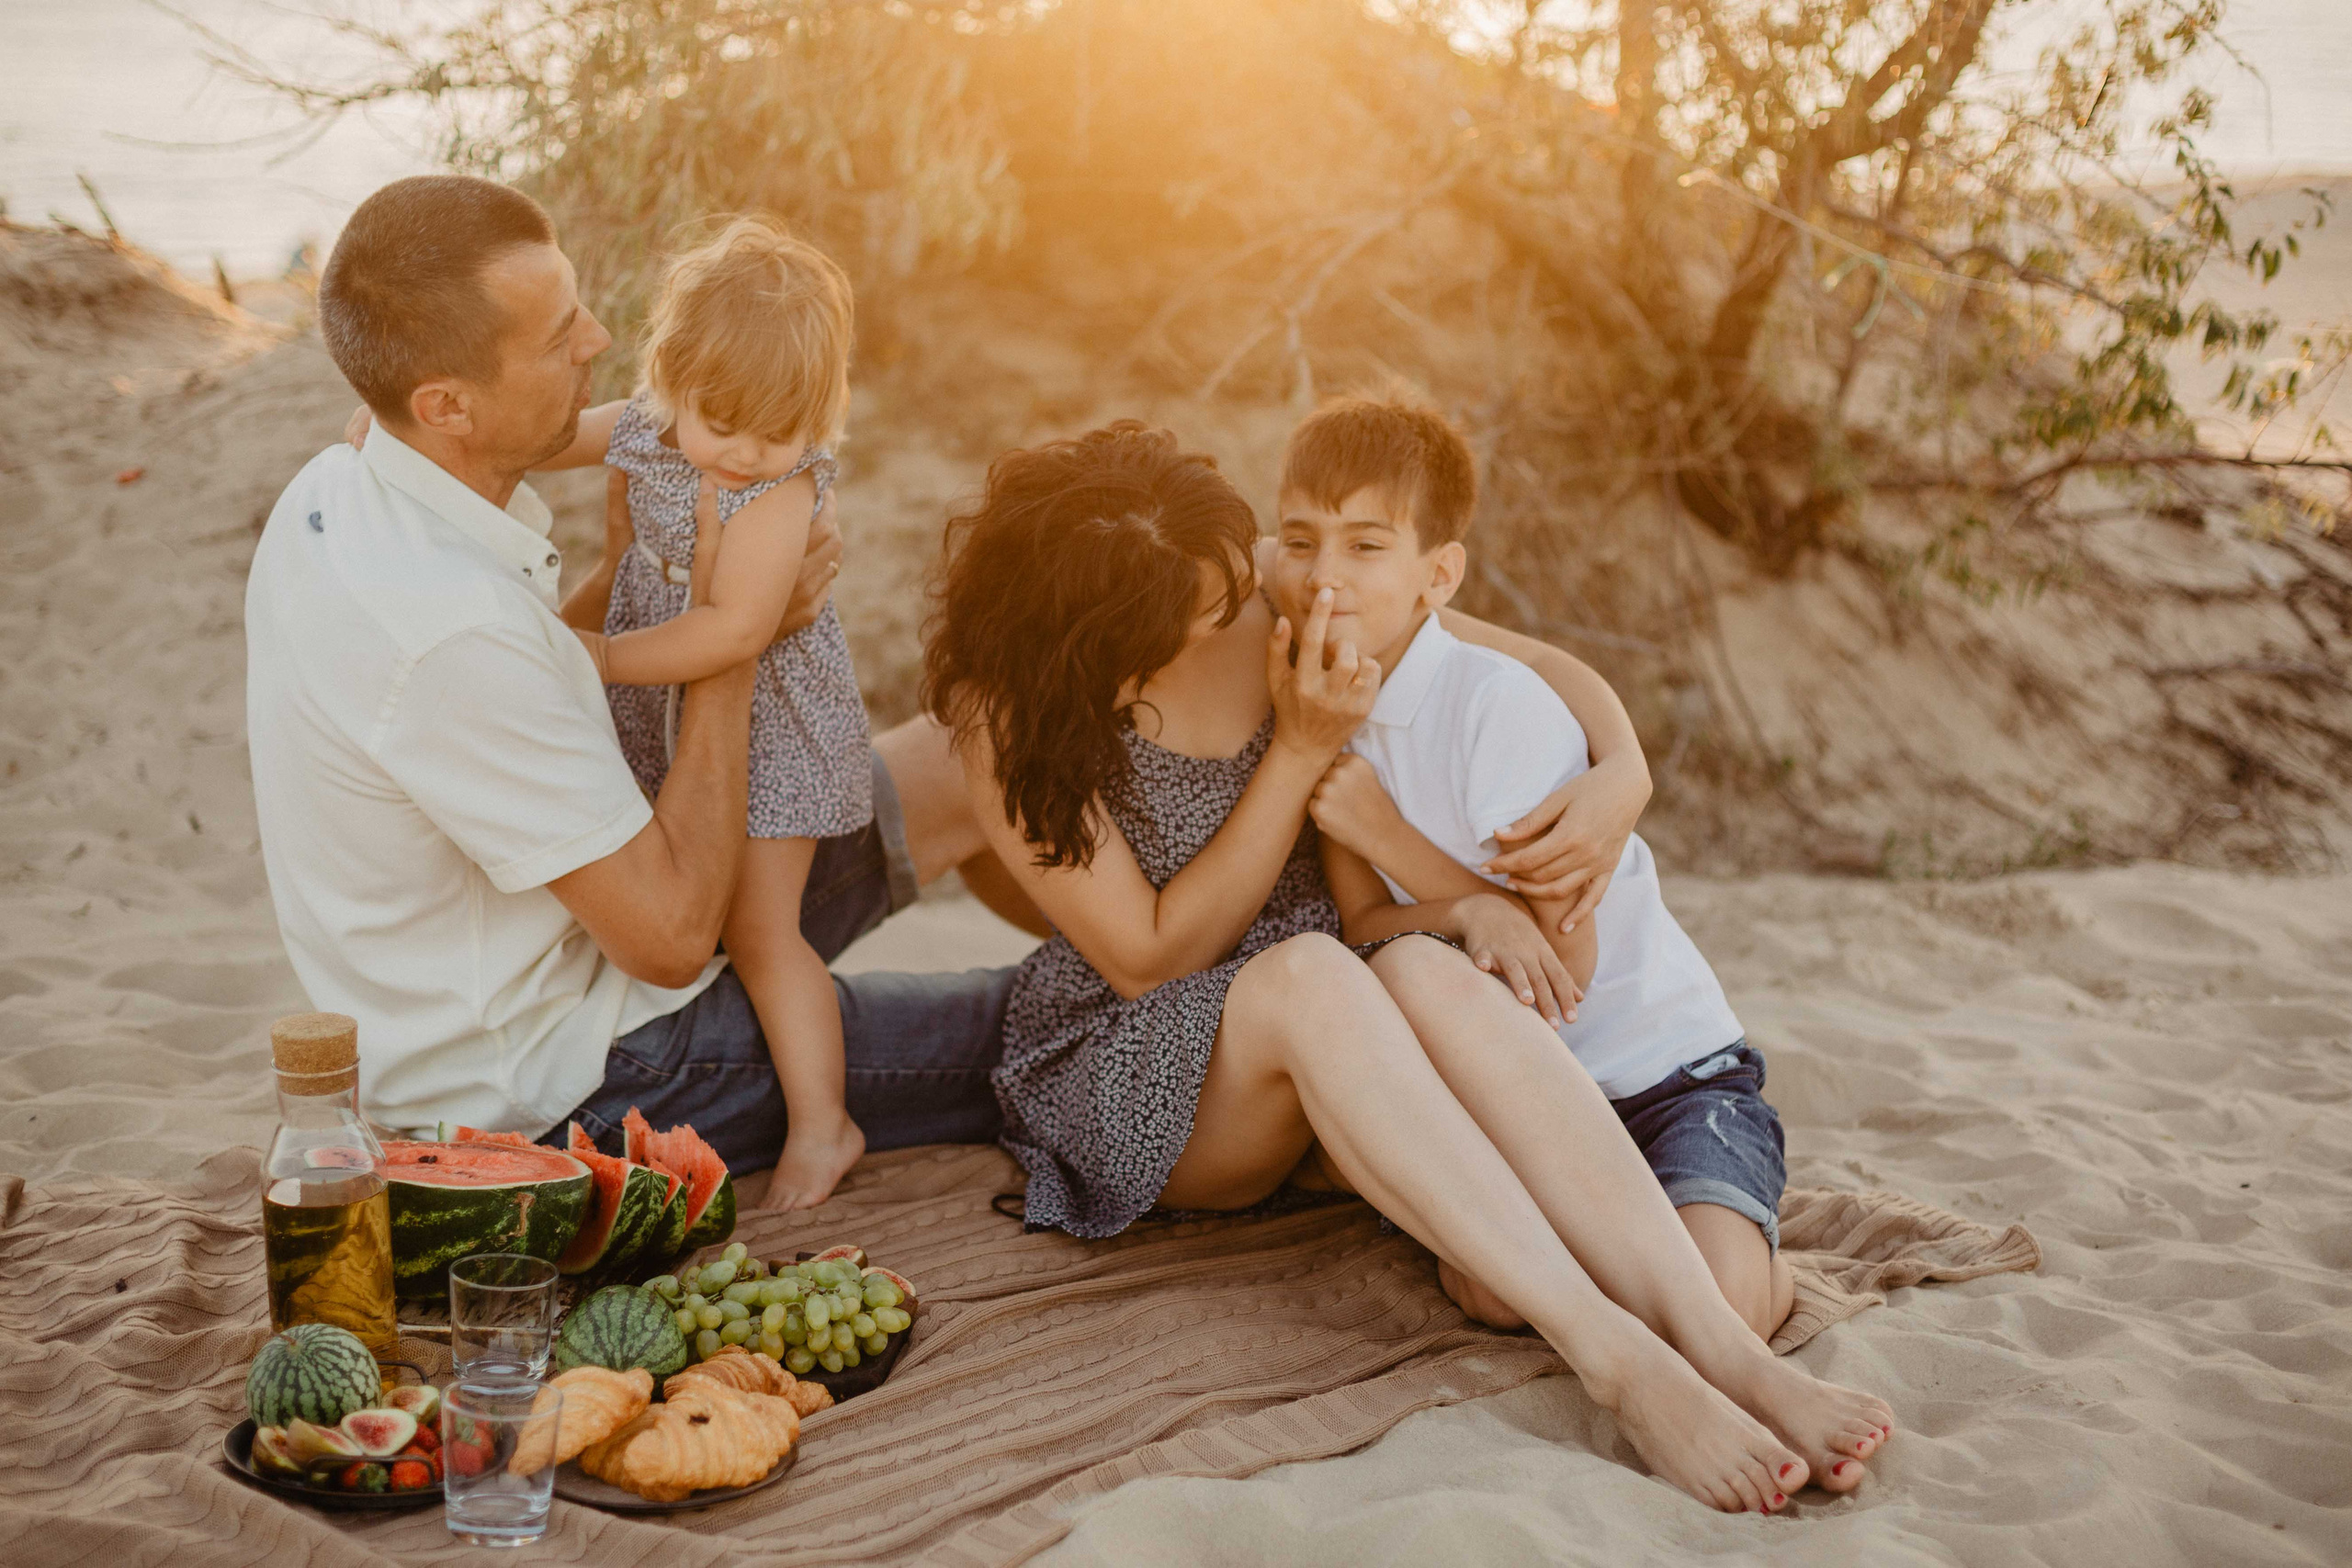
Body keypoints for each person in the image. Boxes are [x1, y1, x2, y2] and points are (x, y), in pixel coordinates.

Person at [923, 422, 1892, 1512]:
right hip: (1145, 1055)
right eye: (1195, 612)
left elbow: (1516, 655)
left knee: (1430, 969)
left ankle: (1732, 1352)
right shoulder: (999, 720)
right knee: (1317, 973)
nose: (1236, 617)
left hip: (1354, 1001)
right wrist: (1294, 753)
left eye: (1228, 590)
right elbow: (1148, 957)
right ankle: (1621, 1364)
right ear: (1088, 632)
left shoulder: (1261, 602)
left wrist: (1623, 770)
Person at [246, 175, 1011, 1181]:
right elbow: (673, 942)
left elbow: (511, 700)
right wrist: (738, 635)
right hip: (573, 1074)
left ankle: (1180, 916)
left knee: (985, 754)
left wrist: (615, 581)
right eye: (560, 330)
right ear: (445, 404)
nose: (599, 339)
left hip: (604, 897)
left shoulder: (346, 486)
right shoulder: (446, 630)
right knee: (1027, 1017)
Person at [1272, 395, 1796, 1341]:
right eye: (1300, 541)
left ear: (1439, 575)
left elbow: (1564, 967)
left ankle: (1738, 1250)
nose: (1324, 576)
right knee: (1494, 1297)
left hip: (1660, 1076)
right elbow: (1360, 930)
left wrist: (1387, 838)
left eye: (1364, 545)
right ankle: (1632, 1246)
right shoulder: (1333, 718)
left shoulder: (1493, 707)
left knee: (1719, 1313)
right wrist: (1471, 910)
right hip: (1519, 1103)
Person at [504, 217, 872, 1211]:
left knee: (759, 927)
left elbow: (736, 630)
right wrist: (397, 437)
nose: (748, 452)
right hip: (668, 715)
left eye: (780, 429)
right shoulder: (650, 424)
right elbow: (531, 438)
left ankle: (821, 1123)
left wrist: (604, 657)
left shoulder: (779, 492)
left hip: (770, 732)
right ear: (670, 375)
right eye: (725, 422)